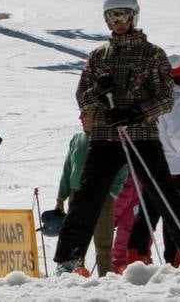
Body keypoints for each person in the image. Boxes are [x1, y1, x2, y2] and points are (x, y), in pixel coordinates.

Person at [51, 0, 180, 277]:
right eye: (113, 16)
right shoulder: (98, 56)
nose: (119, 22)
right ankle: (68, 259)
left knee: (163, 191)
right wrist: (98, 93)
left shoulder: (152, 55)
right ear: (106, 20)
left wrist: (136, 112)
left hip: (141, 133)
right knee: (88, 195)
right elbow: (82, 97)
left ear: (134, 16)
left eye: (124, 15)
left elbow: (165, 97)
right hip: (107, 134)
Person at [124, 55, 180, 268]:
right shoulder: (175, 97)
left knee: (149, 212)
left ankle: (136, 259)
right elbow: (179, 135)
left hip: (149, 164)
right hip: (173, 166)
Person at [54, 112, 125, 277]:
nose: (80, 118)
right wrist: (61, 197)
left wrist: (112, 193)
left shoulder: (108, 139)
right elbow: (67, 168)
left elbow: (123, 168)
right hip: (76, 194)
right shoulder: (77, 139)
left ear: (95, 117)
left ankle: (106, 278)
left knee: (103, 242)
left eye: (84, 115)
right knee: (76, 238)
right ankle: (76, 277)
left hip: (103, 195)